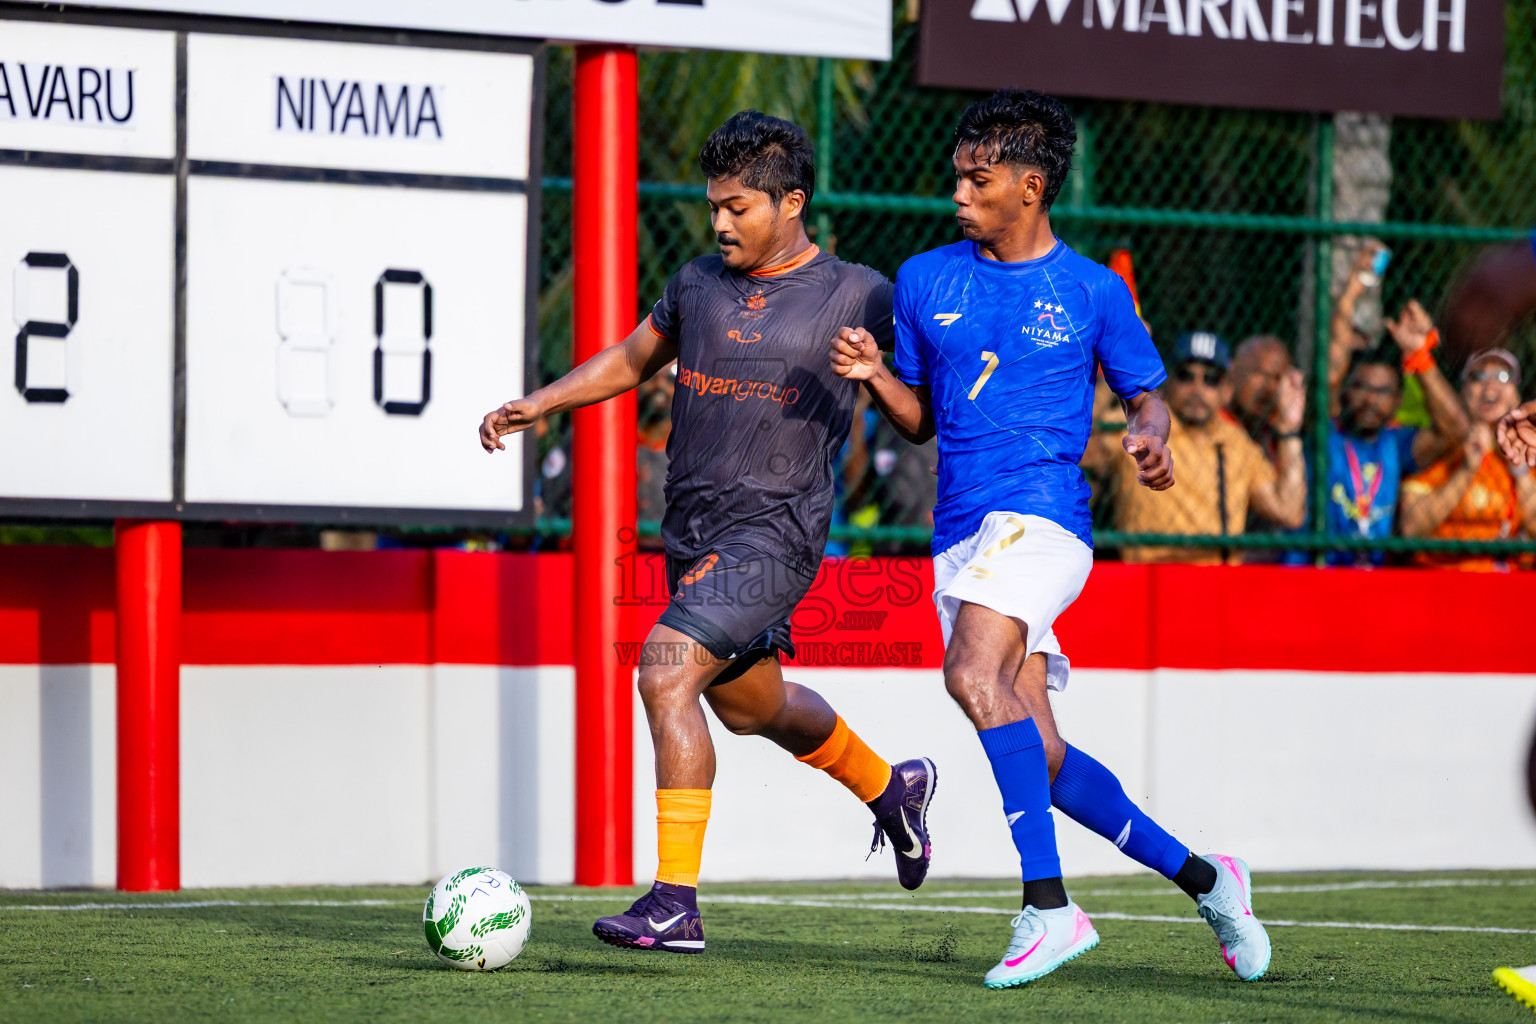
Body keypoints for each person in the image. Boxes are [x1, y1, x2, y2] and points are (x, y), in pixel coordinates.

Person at [830, 88, 1270, 989]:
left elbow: (1144, 392)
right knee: (1043, 748)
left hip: (1045, 519)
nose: (958, 193)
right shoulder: (923, 279)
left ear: (1030, 187)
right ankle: (1209, 881)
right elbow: (920, 424)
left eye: (978, 179)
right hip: (961, 534)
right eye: (956, 176)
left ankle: (1048, 906)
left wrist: (1149, 432)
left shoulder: (1093, 291)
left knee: (969, 675)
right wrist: (877, 376)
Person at [480, 111, 937, 954]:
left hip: (777, 536)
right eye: (713, 207)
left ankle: (673, 901)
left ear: (790, 201)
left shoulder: (863, 291)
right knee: (752, 709)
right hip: (694, 537)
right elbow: (628, 360)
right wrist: (538, 403)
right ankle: (892, 787)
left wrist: (876, 374)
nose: (719, 223)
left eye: (738, 207)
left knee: (663, 674)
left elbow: (919, 420)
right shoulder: (697, 281)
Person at [1085, 331, 1306, 563]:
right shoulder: (1134, 424)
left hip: (1217, 586)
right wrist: (1110, 369)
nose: (1197, 389)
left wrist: (1288, 430)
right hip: (1147, 581)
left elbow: (1289, 512)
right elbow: (1077, 445)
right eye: (1186, 376)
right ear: (1168, 380)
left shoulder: (1236, 442)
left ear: (1226, 389)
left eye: (1210, 379)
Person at [1323, 301, 1469, 565]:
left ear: (1398, 401)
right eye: (1362, 387)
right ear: (1345, 391)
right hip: (1318, 572)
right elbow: (1329, 373)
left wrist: (1419, 355)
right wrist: (1353, 291)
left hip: (1377, 578)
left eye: (1383, 392)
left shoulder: (1396, 445)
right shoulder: (1324, 433)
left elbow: (1455, 428)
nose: (1371, 400)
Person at [1401, 350, 1536, 570]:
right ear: (1463, 393)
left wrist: (1519, 470)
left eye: (1503, 377)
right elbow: (1411, 527)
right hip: (1441, 580)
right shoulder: (1439, 445)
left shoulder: (1529, 451)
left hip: (1507, 585)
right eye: (1478, 377)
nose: (1490, 387)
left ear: (1516, 397)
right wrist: (1466, 470)